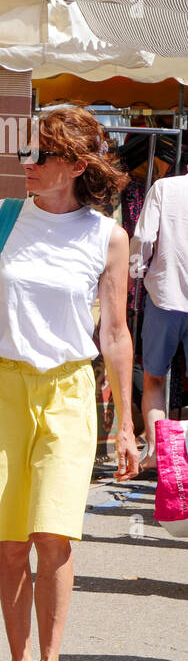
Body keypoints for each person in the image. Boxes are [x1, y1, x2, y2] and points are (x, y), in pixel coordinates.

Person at [0, 107, 138, 661]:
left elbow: (116, 335)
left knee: (54, 533)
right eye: (26, 153)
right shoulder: (1, 217)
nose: (27, 164)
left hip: (69, 389)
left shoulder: (107, 235)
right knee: (12, 536)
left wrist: (126, 424)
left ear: (74, 165)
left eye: (40, 156)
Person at [130, 170, 188, 469]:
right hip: (166, 293)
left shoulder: (164, 188)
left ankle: (157, 456)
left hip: (165, 295)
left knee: (155, 377)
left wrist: (135, 271)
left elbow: (143, 238)